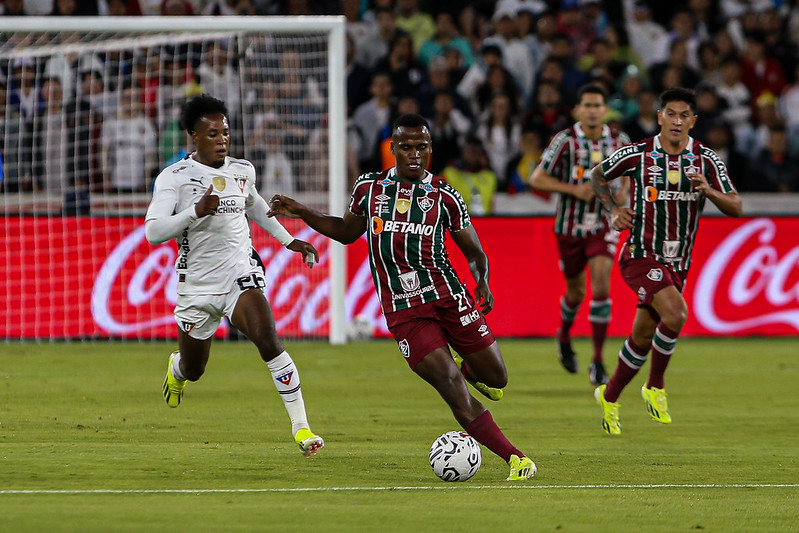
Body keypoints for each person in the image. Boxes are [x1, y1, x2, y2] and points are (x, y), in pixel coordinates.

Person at [268, 113, 536, 481]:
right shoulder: (369, 189)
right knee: (450, 385)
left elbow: (475, 252)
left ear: (430, 149)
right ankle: (516, 458)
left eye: (421, 147)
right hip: (404, 311)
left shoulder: (445, 195)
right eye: (406, 147)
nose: (414, 154)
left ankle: (468, 364)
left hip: (449, 296)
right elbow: (346, 232)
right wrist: (301, 211)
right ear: (392, 148)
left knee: (498, 378)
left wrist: (483, 282)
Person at [144, 94, 324, 457]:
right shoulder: (174, 178)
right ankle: (177, 370)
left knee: (268, 339)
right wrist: (193, 212)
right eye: (212, 134)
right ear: (193, 136)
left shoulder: (242, 170)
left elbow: (254, 204)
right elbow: (153, 232)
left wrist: (289, 241)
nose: (222, 140)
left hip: (240, 273)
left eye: (225, 133)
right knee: (195, 369)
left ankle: (302, 428)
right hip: (196, 285)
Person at [590, 87, 742, 435]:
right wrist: (613, 210)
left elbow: (736, 207)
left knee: (642, 337)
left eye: (683, 115)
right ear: (659, 116)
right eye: (670, 114)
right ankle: (655, 386)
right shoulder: (639, 154)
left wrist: (709, 191)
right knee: (677, 314)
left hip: (678, 264)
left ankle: (609, 397)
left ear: (693, 120)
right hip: (640, 255)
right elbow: (598, 175)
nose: (676, 121)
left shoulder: (706, 160)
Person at [530, 84, 631, 386]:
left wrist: (622, 192)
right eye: (586, 105)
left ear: (605, 109)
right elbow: (537, 178)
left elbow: (627, 175)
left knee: (600, 285)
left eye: (597, 105)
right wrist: (573, 189)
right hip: (569, 227)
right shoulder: (565, 141)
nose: (592, 110)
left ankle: (598, 360)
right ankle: (563, 336)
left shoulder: (619, 140)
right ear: (578, 109)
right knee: (575, 292)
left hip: (603, 224)